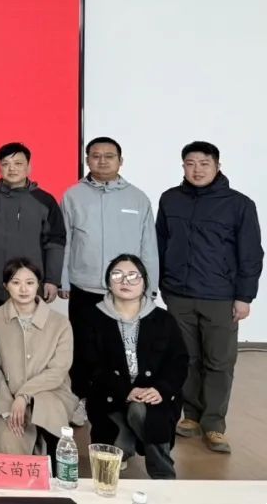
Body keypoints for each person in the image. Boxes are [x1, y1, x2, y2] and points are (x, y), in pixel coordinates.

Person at [157, 141, 262, 454]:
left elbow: (251, 254)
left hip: (221, 296)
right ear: (183, 167)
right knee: (186, 358)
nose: (197, 170)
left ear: (217, 166)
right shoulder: (170, 199)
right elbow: (159, 244)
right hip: (179, 295)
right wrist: (162, 285)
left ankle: (214, 424)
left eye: (204, 163)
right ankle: (191, 416)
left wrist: (244, 296)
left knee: (219, 361)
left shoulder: (239, 204)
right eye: (190, 163)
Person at [59, 135, 157, 426]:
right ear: (87, 160)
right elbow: (65, 240)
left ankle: (121, 399)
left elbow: (148, 246)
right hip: (84, 286)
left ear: (120, 161)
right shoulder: (73, 195)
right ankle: (80, 397)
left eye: (109, 156)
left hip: (126, 291)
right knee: (82, 347)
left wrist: (150, 287)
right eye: (96, 156)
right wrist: (63, 279)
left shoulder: (137, 198)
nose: (102, 161)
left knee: (122, 348)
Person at [85, 254, 188, 479]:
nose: (125, 281)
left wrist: (160, 389)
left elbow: (179, 362)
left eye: (133, 276)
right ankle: (125, 439)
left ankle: (163, 475)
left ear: (144, 283)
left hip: (152, 397)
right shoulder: (92, 318)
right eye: (117, 275)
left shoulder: (163, 320)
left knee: (143, 413)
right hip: (110, 396)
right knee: (107, 463)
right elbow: (89, 365)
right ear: (108, 281)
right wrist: (125, 390)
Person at [0, 258, 75, 470]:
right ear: (6, 286)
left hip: (52, 392)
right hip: (8, 398)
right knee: (11, 446)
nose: (23, 289)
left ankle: (57, 468)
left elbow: (58, 370)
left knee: (50, 412)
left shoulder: (60, 323)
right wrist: (7, 406)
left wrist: (24, 395)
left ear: (38, 285)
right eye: (16, 283)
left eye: (30, 282)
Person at [0, 143, 65, 313]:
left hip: (31, 288)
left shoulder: (45, 201)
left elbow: (55, 244)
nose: (12, 169)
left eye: (18, 163)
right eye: (5, 164)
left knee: (31, 330)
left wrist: (52, 280)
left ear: (28, 166)